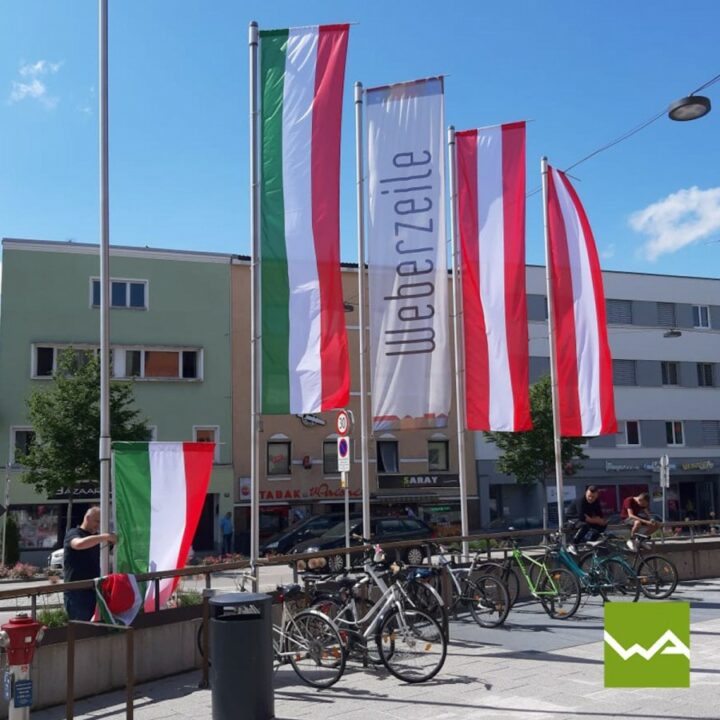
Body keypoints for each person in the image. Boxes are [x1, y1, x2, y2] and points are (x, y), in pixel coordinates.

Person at [63, 506, 117, 621]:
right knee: (81, 627)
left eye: (100, 522)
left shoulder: (96, 537)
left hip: (94, 589)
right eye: (96, 521)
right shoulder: (73, 533)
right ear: (87, 518)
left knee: (96, 626)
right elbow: (78, 544)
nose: (98, 525)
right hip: (76, 591)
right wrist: (104, 537)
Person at [565, 485, 607, 554]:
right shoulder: (581, 501)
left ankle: (590, 542)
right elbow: (582, 517)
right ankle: (573, 544)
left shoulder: (596, 502)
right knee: (584, 525)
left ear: (596, 496)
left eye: (593, 497)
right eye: (589, 496)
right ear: (586, 493)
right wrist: (595, 520)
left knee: (602, 525)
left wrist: (601, 521)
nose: (590, 498)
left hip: (586, 520)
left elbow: (600, 515)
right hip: (572, 519)